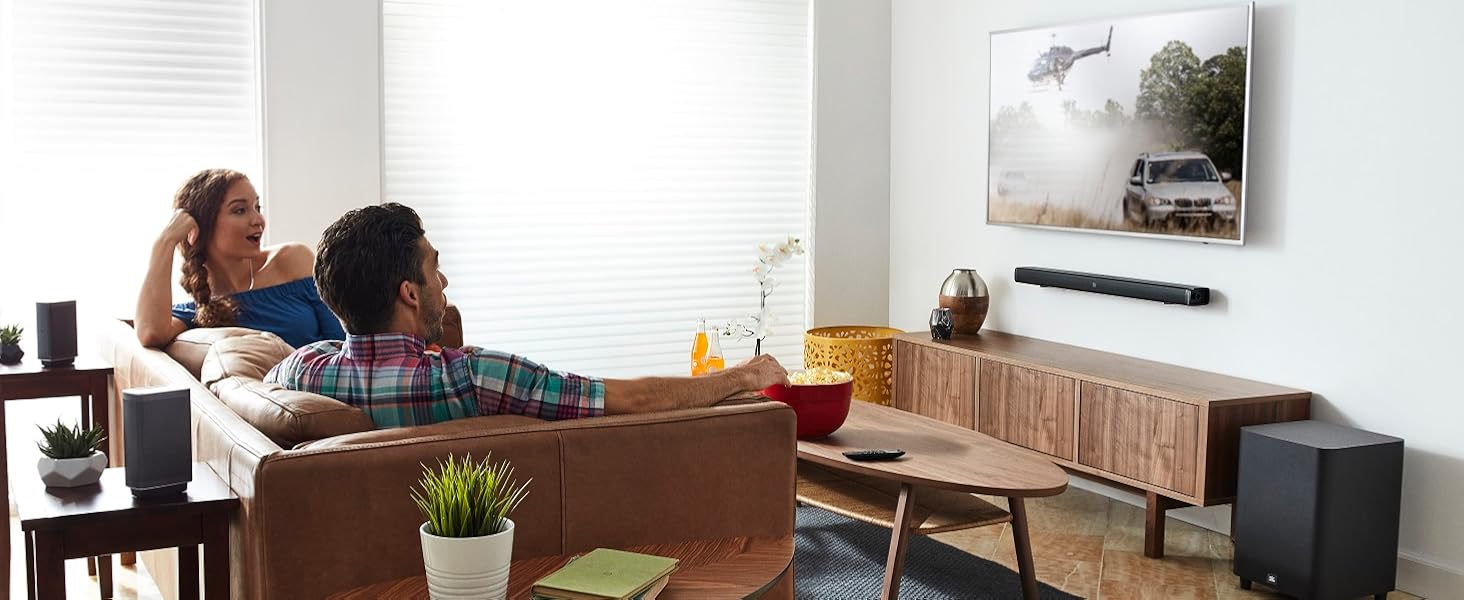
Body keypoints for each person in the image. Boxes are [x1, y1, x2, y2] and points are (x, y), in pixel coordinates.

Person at [265, 203, 789, 428]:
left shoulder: (300, 371)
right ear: (409, 293)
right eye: (433, 269)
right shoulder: (476, 378)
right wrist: (741, 375)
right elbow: (633, 401)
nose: (443, 282)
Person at [134, 169, 346, 348]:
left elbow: (342, 340)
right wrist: (164, 242)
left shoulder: (292, 259)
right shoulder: (200, 308)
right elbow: (150, 332)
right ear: (202, 225)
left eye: (257, 208)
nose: (258, 220)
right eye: (240, 210)